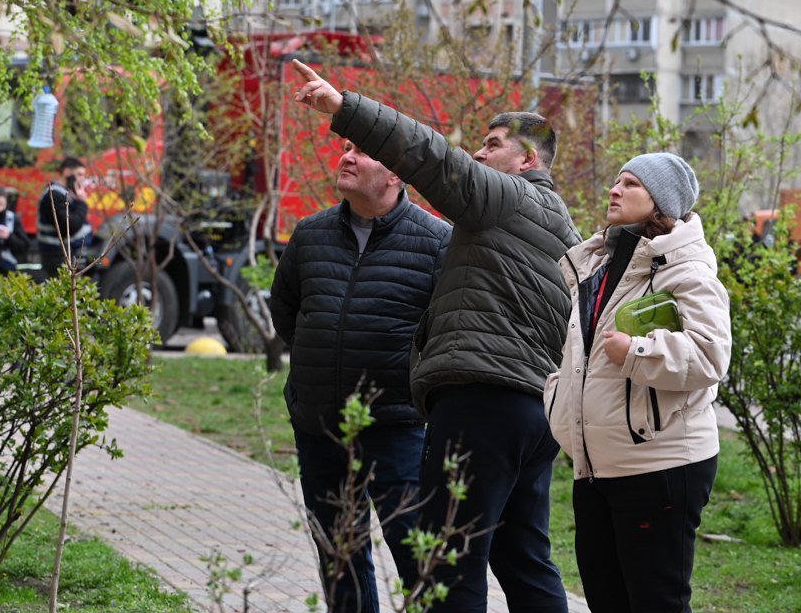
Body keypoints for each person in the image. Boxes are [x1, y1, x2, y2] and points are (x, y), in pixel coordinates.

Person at [292, 61, 578, 613]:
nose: (478, 154)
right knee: (523, 558)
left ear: (527, 160)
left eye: (493, 145)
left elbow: (434, 157)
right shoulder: (560, 224)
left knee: (447, 563)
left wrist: (345, 107)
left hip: (483, 404)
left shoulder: (508, 198)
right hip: (533, 410)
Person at [269, 141, 452, 613]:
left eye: (363, 152)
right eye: (346, 148)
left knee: (414, 551)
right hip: (319, 423)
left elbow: (446, 331)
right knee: (338, 555)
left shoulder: (436, 241)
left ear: (396, 174)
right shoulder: (310, 234)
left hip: (396, 425)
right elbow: (286, 310)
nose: (346, 157)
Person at [545, 153, 731, 613]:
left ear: (661, 201)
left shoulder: (686, 269)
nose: (614, 189)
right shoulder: (599, 263)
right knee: (606, 600)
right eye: (616, 180)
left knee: (655, 602)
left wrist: (636, 352)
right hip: (596, 466)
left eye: (631, 184)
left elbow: (711, 355)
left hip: (660, 464)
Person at [38, 156, 92, 277]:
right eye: (79, 174)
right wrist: (81, 203)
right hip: (59, 256)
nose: (82, 179)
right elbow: (69, 226)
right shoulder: (55, 194)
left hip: (66, 254)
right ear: (67, 172)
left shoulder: (65, 192)